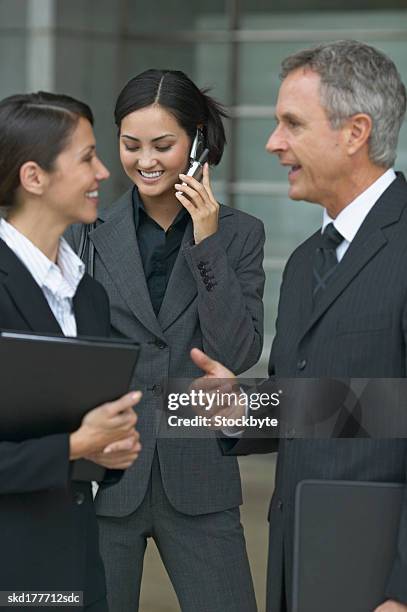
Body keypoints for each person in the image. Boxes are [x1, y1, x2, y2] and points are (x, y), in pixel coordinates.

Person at [190, 40, 407, 612]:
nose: (272, 142)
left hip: (379, 577)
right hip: (298, 566)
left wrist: (402, 590)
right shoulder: (309, 258)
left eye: (291, 123)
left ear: (355, 132)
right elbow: (318, 406)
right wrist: (242, 410)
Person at [66, 69, 265, 612]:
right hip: (108, 476)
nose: (145, 161)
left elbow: (237, 352)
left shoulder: (239, 234)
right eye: (131, 146)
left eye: (163, 145)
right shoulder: (84, 233)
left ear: (197, 140)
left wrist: (207, 244)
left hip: (198, 476)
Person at [0, 92, 143, 612]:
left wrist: (108, 455)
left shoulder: (89, 294)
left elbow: (85, 441)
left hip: (77, 569)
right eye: (86, 157)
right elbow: (66, 441)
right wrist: (74, 445)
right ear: (34, 177)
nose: (103, 172)